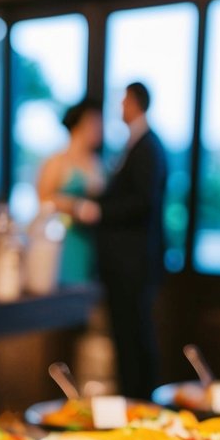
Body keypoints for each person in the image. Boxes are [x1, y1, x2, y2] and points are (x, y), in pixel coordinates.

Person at [72, 81, 168, 399]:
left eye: (124, 101)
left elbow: (143, 201)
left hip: (133, 261)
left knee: (134, 335)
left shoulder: (147, 146)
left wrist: (99, 211)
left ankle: (139, 402)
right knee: (127, 335)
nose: (119, 108)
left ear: (136, 103)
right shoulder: (136, 144)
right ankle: (135, 399)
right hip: (123, 260)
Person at [37, 98, 105, 285]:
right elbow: (43, 199)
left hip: (90, 242)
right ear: (80, 124)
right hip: (64, 238)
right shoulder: (57, 160)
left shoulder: (98, 162)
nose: (100, 128)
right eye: (95, 122)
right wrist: (75, 207)